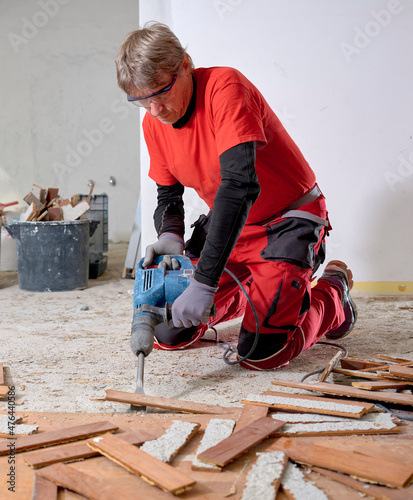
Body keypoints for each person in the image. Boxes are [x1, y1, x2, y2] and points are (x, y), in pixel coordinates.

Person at [115, 22, 357, 370]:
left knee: (262, 352)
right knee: (169, 333)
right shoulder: (155, 123)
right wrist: (170, 234)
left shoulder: (225, 88)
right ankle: (254, 296)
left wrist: (204, 282)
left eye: (161, 93)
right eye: (141, 101)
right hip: (233, 227)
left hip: (286, 221)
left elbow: (239, 187)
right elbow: (168, 193)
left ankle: (334, 292)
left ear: (185, 65)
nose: (155, 110)